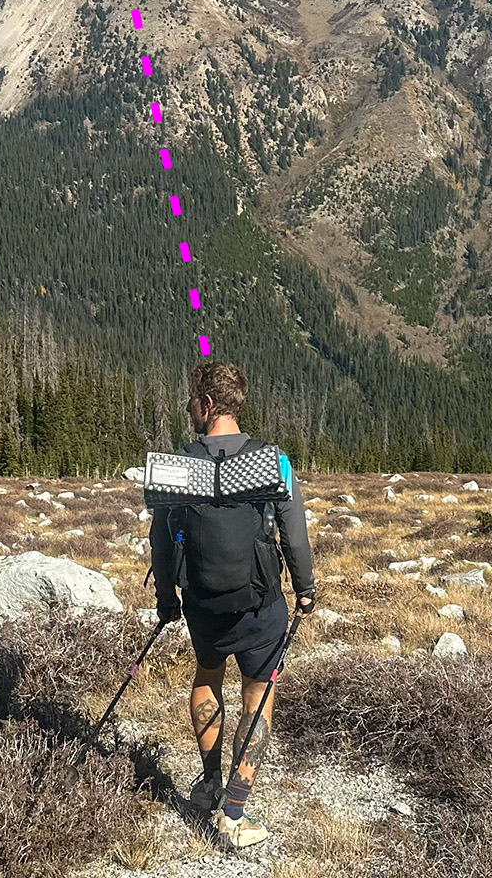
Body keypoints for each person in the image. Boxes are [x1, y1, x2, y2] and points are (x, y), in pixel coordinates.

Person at [150, 361, 315, 851]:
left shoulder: (178, 466)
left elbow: (161, 543)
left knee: (206, 678)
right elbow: (295, 535)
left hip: (201, 604)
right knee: (258, 695)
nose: (189, 411)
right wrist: (305, 589)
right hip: (260, 605)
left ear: (206, 405)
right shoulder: (273, 462)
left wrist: (166, 599)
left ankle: (208, 784)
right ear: (234, 403)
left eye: (191, 403)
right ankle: (234, 814)